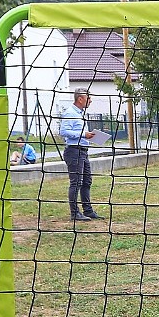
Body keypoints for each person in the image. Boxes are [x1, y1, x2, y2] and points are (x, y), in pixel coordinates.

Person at [59, 88, 100, 222]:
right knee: (76, 182)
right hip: (74, 151)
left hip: (83, 151)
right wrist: (83, 134)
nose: (90, 101)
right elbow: (63, 131)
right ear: (80, 99)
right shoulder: (70, 113)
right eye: (88, 98)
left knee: (87, 181)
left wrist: (90, 136)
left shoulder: (81, 114)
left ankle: (88, 210)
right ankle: (75, 213)